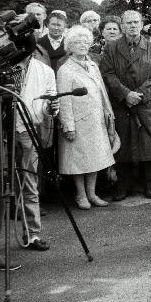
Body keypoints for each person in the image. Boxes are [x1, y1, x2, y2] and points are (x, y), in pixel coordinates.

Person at [0, 27, 57, 269]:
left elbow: (49, 103)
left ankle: (33, 235)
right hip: (0, 130)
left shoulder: (45, 71)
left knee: (30, 180)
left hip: (27, 128)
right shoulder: (0, 69)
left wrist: (51, 109)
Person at [100, 10, 151, 200]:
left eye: (136, 22)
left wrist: (140, 94)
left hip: (145, 103)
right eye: (128, 23)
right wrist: (126, 94)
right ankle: (122, 186)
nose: (132, 26)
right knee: (124, 146)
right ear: (122, 26)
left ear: (142, 24)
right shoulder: (112, 47)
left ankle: (149, 185)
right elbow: (107, 73)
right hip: (122, 104)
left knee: (148, 144)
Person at [57, 26, 118, 209]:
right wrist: (68, 125)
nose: (82, 45)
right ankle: (81, 195)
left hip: (96, 120)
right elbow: (64, 100)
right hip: (78, 121)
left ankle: (92, 194)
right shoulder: (65, 70)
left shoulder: (92, 65)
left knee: (96, 158)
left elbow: (102, 92)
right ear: (70, 46)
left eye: (85, 41)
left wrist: (109, 114)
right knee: (78, 161)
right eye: (77, 42)